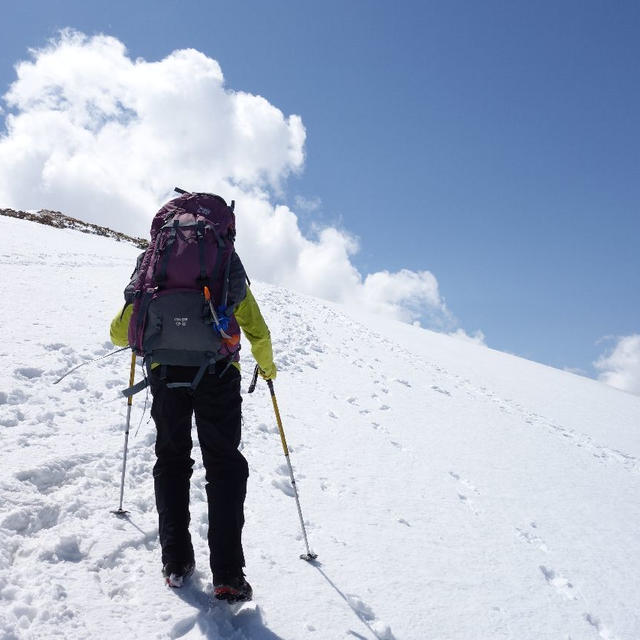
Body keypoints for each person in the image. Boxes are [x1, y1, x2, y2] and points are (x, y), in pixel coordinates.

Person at [109, 197, 276, 603]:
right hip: (218, 372)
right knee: (223, 464)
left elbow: (119, 332)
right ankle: (229, 575)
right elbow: (256, 329)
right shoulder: (225, 264)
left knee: (171, 459)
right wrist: (267, 369)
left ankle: (176, 562)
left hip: (166, 372)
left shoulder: (154, 265)